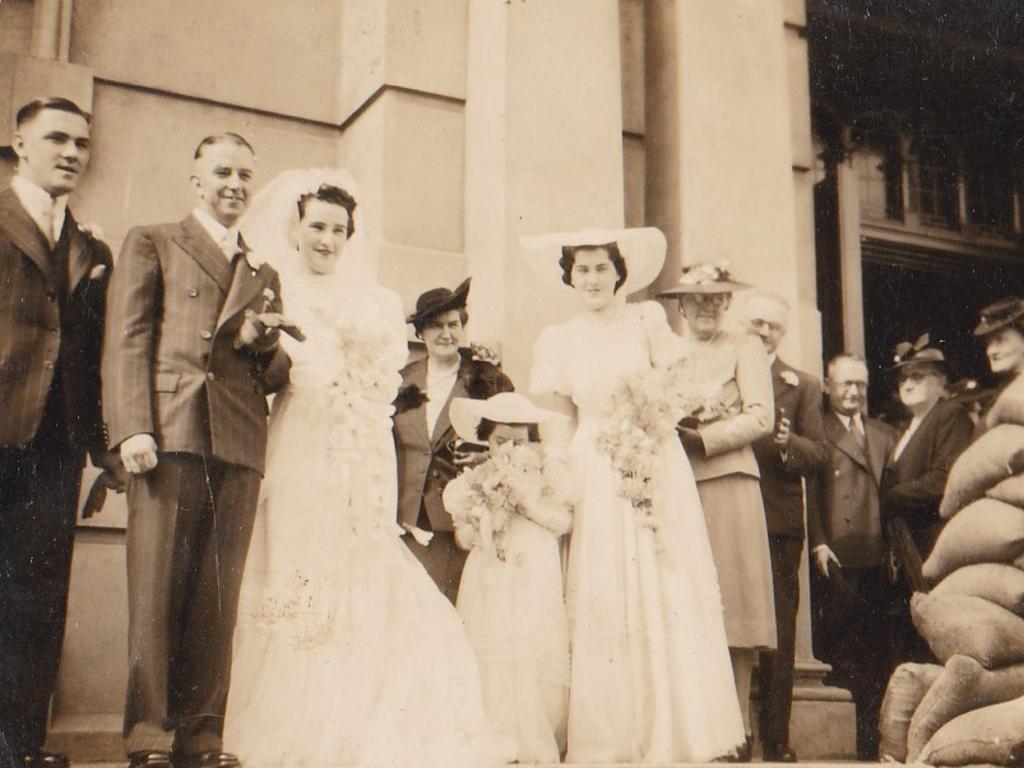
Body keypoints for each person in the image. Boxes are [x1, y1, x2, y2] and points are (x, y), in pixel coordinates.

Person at [222, 170, 497, 768]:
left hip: (361, 448)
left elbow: (386, 382)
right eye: (317, 226)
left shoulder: (374, 300)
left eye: (339, 229)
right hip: (300, 438)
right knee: (300, 558)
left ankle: (367, 708)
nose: (327, 239)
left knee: (359, 560)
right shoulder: (274, 292)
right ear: (295, 228)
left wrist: (361, 388)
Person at [103, 133, 291, 768]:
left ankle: (203, 734)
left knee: (217, 592)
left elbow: (274, 374)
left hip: (237, 440)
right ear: (197, 180)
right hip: (171, 431)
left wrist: (263, 341)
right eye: (222, 172)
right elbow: (128, 337)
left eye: (244, 174)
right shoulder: (154, 240)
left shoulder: (264, 273)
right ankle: (151, 735)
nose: (234, 184)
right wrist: (132, 426)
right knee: (157, 588)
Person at [523, 227, 744, 764]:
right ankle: (608, 735)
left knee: (658, 582)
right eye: (582, 269)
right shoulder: (557, 338)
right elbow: (557, 420)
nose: (592, 278)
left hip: (650, 459)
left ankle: (670, 728)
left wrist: (653, 414)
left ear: (619, 272)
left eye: (602, 267)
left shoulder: (646, 321)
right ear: (569, 276)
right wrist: (561, 479)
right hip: (595, 468)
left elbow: (681, 383)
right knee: (603, 588)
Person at [0, 97, 121, 768]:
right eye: (56, 138)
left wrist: (101, 444)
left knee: (38, 598)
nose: (72, 151)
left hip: (54, 443)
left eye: (82, 141)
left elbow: (92, 351)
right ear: (21, 146)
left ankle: (22, 746)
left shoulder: (90, 245)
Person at [657, 261, 775, 758]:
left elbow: (761, 416)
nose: (706, 307)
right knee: (685, 601)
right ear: (681, 305)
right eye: (696, 299)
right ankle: (696, 723)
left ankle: (738, 729)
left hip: (727, 479)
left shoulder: (743, 347)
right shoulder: (667, 354)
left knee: (734, 604)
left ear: (727, 305)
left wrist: (703, 438)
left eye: (715, 299)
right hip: (678, 485)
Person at [444, 392, 572, 764]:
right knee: (491, 641)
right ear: (487, 439)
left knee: (533, 644)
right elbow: (463, 537)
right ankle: (495, 734)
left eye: (520, 441)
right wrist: (482, 515)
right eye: (502, 441)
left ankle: (534, 735)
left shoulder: (549, 474)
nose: (511, 449)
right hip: (491, 570)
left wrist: (525, 504)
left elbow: (564, 522)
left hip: (534, 566)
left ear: (532, 440)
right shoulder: (474, 479)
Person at [393, 280, 514, 603]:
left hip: (460, 520)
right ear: (420, 333)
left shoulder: (486, 378)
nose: (446, 333)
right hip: (406, 517)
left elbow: (513, 441)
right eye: (435, 326)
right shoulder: (400, 380)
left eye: (453, 324)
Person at [744, 290, 827, 763]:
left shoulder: (803, 385)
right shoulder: (725, 378)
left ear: (783, 332)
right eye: (755, 323)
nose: (762, 332)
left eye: (771, 326)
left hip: (778, 517)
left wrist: (786, 441)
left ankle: (776, 737)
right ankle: (734, 733)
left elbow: (818, 455)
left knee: (779, 630)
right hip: (729, 512)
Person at [807, 353, 895, 760]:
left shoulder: (883, 433)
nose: (853, 392)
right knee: (842, 652)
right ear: (827, 386)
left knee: (877, 653)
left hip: (879, 559)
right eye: (844, 384)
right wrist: (819, 541)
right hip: (838, 558)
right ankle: (847, 747)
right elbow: (808, 495)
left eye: (860, 384)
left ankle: (872, 744)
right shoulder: (818, 430)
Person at [882, 336, 973, 664]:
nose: (907, 383)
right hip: (906, 548)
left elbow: (943, 480)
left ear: (941, 382)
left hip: (932, 543)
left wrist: (890, 497)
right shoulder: (906, 429)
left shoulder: (950, 414)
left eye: (917, 376)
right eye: (903, 378)